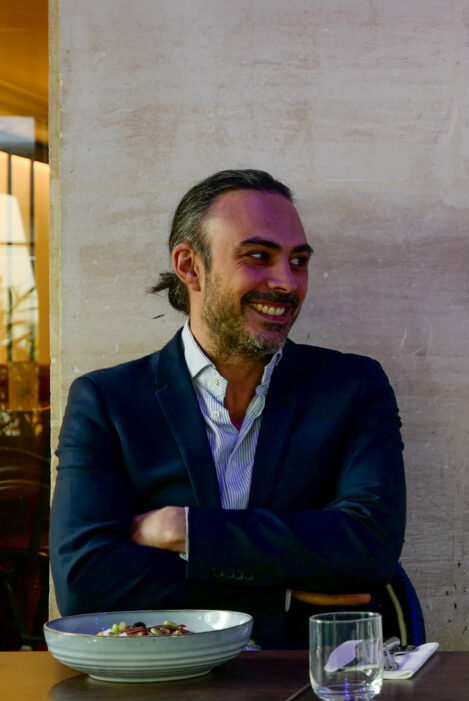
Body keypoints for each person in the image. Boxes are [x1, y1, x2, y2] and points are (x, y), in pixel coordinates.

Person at [50, 169, 406, 647]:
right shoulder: (107, 401)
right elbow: (84, 584)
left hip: (311, 675)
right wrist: (280, 593)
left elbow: (369, 548)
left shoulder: (351, 387)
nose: (286, 283)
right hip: (165, 677)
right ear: (190, 266)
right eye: (258, 256)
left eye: (298, 261)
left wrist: (186, 530)